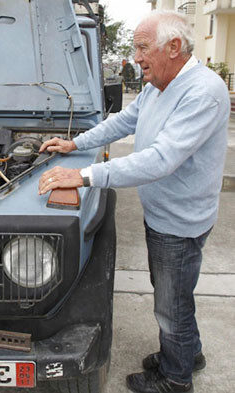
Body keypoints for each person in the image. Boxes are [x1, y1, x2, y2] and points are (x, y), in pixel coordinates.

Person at [38, 11, 229, 393]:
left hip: (180, 221)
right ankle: (188, 354)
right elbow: (123, 121)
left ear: (174, 47)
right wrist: (76, 143)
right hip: (165, 214)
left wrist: (85, 174)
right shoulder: (158, 85)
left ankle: (176, 379)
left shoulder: (202, 92)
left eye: (143, 48)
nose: (136, 57)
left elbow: (161, 159)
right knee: (174, 294)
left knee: (170, 305)